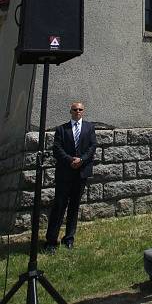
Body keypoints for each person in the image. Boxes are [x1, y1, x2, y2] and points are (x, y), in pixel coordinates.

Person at [44, 101, 97, 252]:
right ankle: (51, 241)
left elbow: (92, 147)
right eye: (75, 109)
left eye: (80, 109)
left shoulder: (89, 128)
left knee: (74, 206)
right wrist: (70, 160)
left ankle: (69, 238)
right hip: (65, 173)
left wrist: (82, 160)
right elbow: (57, 149)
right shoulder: (61, 129)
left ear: (83, 111)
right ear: (70, 111)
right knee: (59, 206)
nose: (77, 112)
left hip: (81, 173)